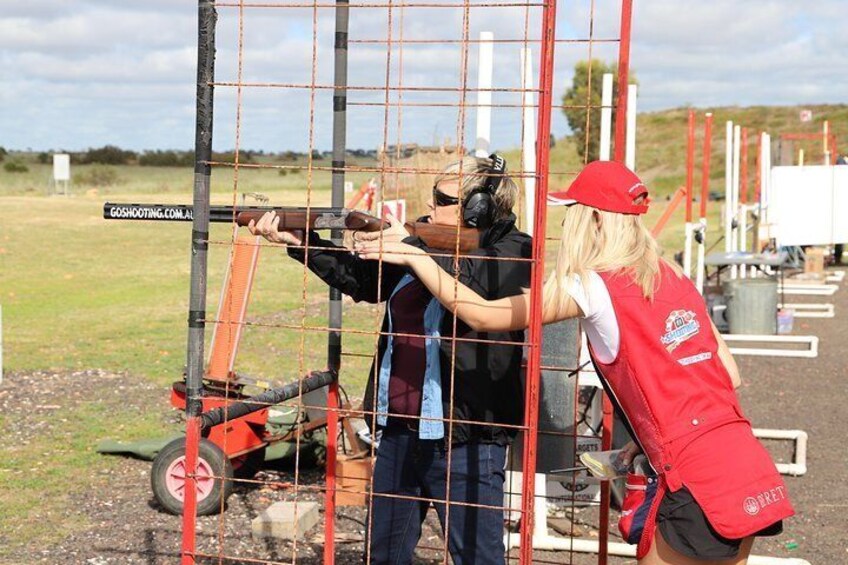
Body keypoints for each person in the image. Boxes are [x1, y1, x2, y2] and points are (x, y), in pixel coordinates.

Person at [355, 160, 794, 565]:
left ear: (597, 219)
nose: (567, 225)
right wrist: (645, 439)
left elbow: (482, 314)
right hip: (739, 459)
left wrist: (413, 254)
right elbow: (726, 375)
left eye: (573, 214)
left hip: (691, 477)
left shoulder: (592, 285)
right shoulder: (671, 272)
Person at [249, 155, 531, 565]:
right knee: (384, 554)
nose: (431, 206)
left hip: (466, 439)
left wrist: (413, 248)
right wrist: (304, 243)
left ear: (479, 208)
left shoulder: (514, 249)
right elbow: (364, 281)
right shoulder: (427, 242)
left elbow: (476, 284)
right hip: (400, 430)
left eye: (442, 198)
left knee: (479, 558)